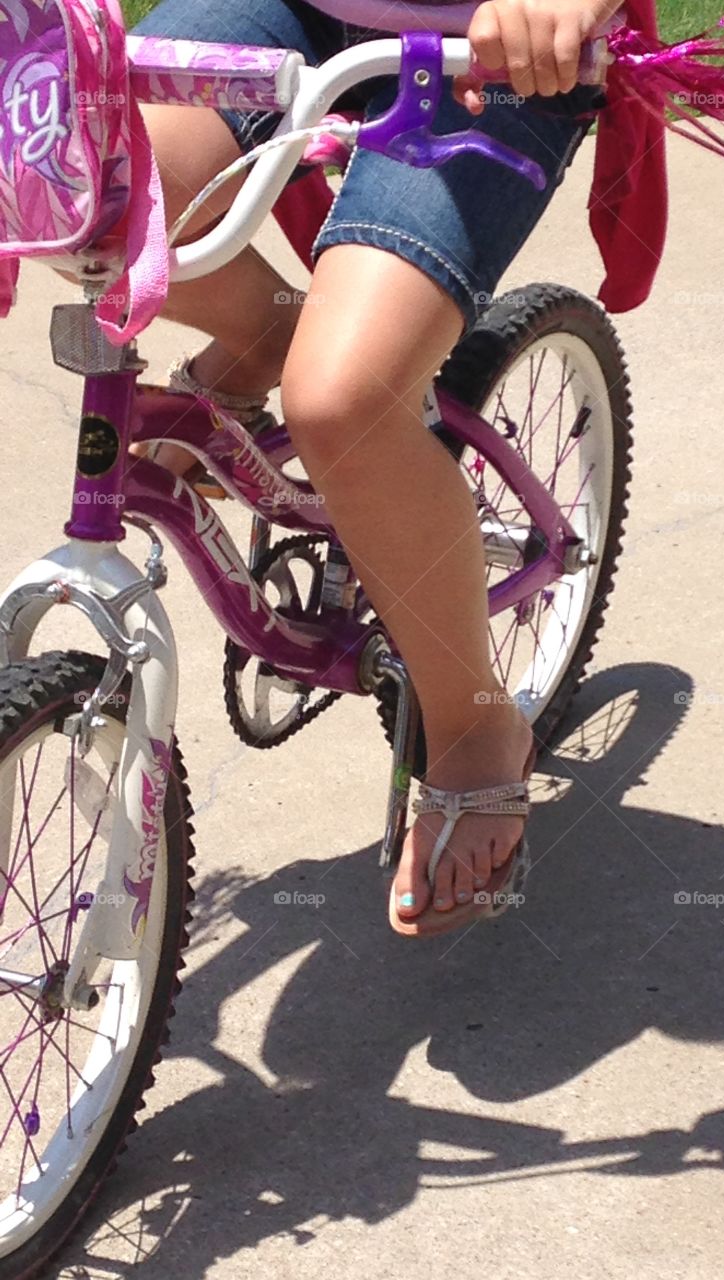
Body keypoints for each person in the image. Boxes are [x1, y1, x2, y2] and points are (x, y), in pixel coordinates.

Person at [134, 0, 622, 936]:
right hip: (287, 11)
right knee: (89, 190)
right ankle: (266, 330)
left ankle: (476, 727)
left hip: (496, 46)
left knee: (343, 401)